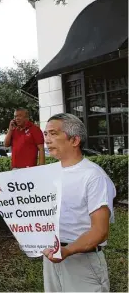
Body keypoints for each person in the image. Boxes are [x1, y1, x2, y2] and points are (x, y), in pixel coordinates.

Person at [42, 113, 116, 292]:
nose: (47, 140)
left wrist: (67, 251)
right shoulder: (47, 173)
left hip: (82, 261)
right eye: (45, 134)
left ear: (74, 140)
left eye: (53, 133)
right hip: (51, 257)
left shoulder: (93, 176)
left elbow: (100, 231)